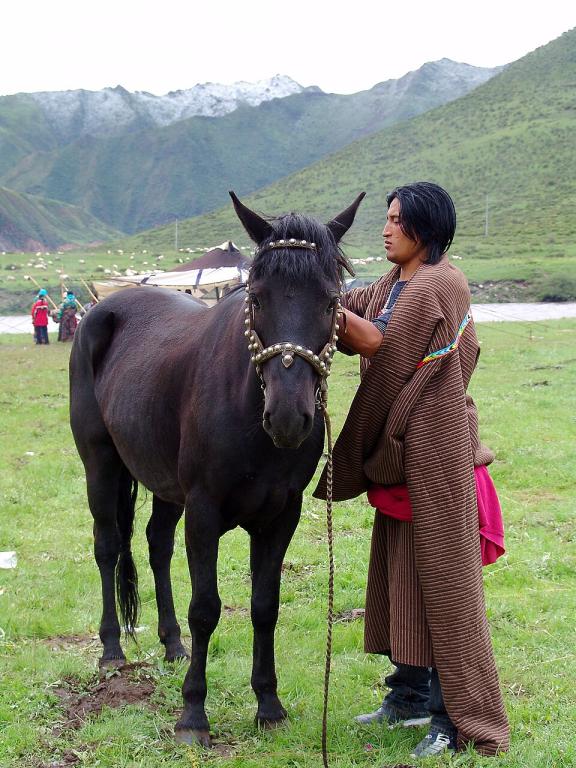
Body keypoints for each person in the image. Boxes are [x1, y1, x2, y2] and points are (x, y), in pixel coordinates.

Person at [314, 182, 509, 758]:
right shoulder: (399, 281)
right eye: (387, 217)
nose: (386, 228)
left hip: (437, 450)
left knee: (444, 584)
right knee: (401, 570)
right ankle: (408, 697)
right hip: (405, 451)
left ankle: (458, 718)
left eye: (397, 220)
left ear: (424, 230)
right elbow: (362, 304)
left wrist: (322, 308)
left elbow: (379, 344)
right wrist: (308, 282)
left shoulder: (435, 285)